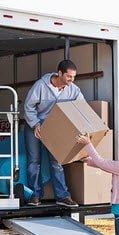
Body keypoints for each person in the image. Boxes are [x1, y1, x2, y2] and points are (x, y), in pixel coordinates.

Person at [23, 59, 83, 207]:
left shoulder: (73, 90)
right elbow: (28, 106)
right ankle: (35, 195)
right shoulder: (41, 86)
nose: (72, 80)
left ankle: (62, 196)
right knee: (34, 161)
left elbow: (81, 108)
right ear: (60, 73)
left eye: (74, 77)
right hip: (35, 124)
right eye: (69, 76)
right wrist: (35, 124)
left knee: (57, 162)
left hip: (56, 127)